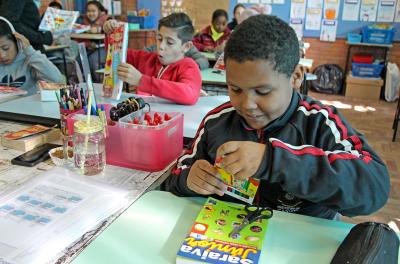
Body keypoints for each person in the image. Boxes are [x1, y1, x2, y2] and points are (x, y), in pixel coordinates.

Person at [162, 15, 390, 220]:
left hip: (300, 245)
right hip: (229, 238)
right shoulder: (216, 122)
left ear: (295, 77)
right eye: (235, 89)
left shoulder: (318, 122)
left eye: (263, 92)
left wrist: (273, 160)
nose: (246, 105)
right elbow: (175, 176)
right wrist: (189, 179)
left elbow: (374, 186)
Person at [103, 13, 201, 105]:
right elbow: (114, 52)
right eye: (159, 39)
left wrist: (141, 80)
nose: (161, 46)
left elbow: (189, 94)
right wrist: (111, 34)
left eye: (170, 42)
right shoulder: (146, 59)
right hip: (145, 119)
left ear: (186, 46)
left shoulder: (189, 66)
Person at [0, 17, 64, 95]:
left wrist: (30, 52)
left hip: (28, 106)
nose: (2, 55)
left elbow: (56, 80)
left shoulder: (29, 60)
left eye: (6, 48)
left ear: (17, 42)